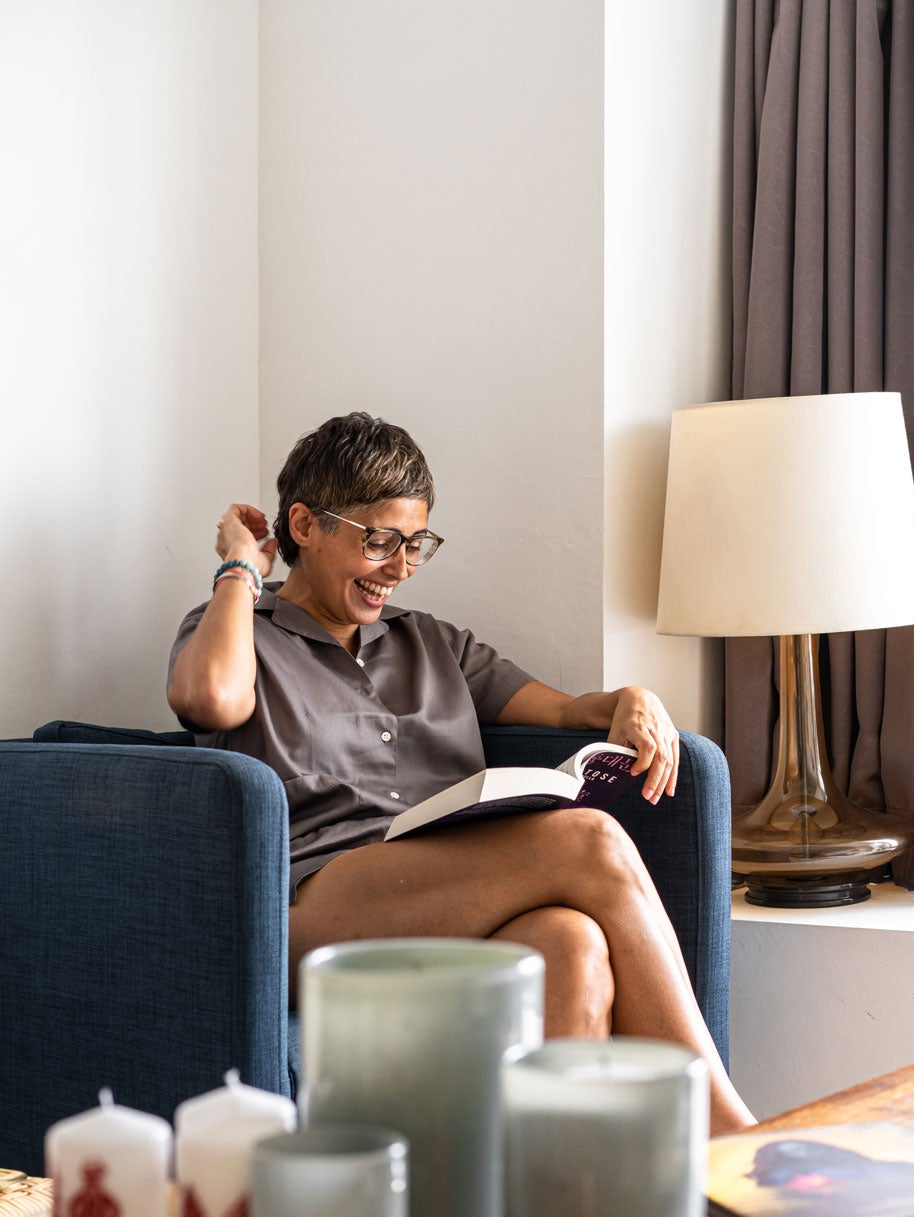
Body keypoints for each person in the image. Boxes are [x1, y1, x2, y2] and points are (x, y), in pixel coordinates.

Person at [167, 412, 754, 1133]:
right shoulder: (239, 630)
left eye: (416, 544)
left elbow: (566, 711)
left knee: (571, 943)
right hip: (314, 913)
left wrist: (627, 702)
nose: (400, 568)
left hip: (447, 910)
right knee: (592, 843)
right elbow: (208, 698)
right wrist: (239, 570)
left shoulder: (431, 643)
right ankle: (730, 1133)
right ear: (305, 525)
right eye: (379, 541)